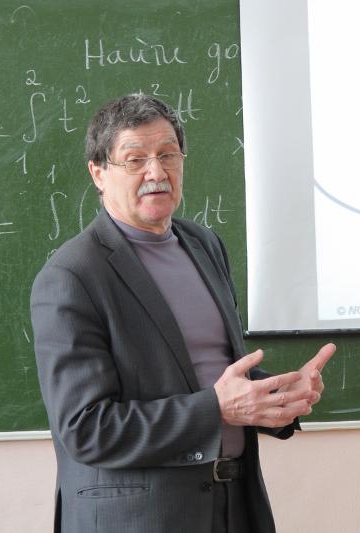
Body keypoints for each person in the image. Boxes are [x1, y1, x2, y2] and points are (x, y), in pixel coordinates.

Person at [31, 93, 336, 533]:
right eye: (135, 159)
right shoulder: (72, 276)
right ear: (98, 173)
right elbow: (86, 429)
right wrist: (216, 409)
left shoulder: (204, 245)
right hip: (140, 519)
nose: (156, 172)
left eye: (168, 155)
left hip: (234, 506)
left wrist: (277, 396)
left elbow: (210, 375)